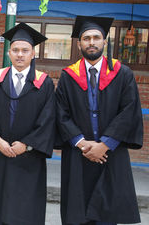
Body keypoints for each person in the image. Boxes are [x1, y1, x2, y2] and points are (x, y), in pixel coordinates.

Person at [56, 15, 143, 225]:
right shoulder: (68, 76)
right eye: (86, 38)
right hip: (79, 154)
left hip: (110, 154)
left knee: (107, 213)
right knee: (77, 213)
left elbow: (129, 111)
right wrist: (81, 142)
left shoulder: (122, 74)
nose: (92, 42)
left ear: (105, 41)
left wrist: (105, 144)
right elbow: (60, 112)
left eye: (96, 37)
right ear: (79, 44)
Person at [0, 23, 56, 225]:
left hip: (29, 158)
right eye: (15, 50)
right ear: (9, 53)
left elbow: (48, 119)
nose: (20, 55)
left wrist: (27, 144)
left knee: (25, 210)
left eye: (25, 50)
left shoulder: (44, 83)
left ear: (33, 54)